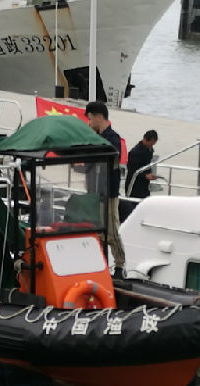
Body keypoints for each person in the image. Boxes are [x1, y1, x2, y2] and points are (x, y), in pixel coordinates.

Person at [84, 101, 125, 276]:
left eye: (90, 119)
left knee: (111, 231)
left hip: (109, 192)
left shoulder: (113, 138)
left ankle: (120, 265)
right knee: (98, 232)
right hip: (95, 192)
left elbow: (109, 155)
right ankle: (101, 264)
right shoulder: (95, 137)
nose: (89, 123)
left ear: (99, 117)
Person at [119, 129, 158, 222]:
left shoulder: (149, 150)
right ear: (146, 140)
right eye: (151, 143)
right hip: (134, 184)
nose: (152, 146)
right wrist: (145, 176)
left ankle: (143, 220)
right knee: (134, 205)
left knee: (144, 203)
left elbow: (147, 164)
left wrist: (150, 174)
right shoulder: (135, 152)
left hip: (144, 184)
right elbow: (132, 170)